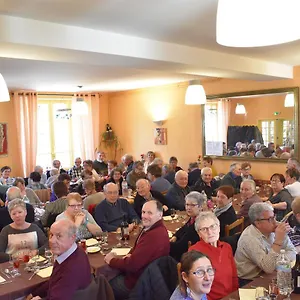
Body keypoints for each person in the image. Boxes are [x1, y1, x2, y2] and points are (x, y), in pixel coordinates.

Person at [104, 200, 170, 300]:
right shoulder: (156, 229)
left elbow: (132, 265)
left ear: (160, 215)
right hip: (150, 278)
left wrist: (111, 260)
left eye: (150, 213)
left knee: (105, 285)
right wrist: (132, 254)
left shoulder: (153, 236)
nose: (144, 216)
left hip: (139, 283)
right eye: (143, 212)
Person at [27, 219, 91, 300]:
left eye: (59, 236)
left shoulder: (70, 269)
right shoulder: (74, 251)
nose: (52, 241)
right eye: (51, 235)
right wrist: (34, 293)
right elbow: (54, 280)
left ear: (72, 238)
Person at [235, 203, 297, 282]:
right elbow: (269, 268)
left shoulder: (273, 230)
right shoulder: (249, 239)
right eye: (270, 219)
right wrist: (278, 240)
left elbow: (293, 251)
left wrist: (277, 261)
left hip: (269, 274)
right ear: (258, 223)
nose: (275, 222)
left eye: (274, 217)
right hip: (249, 280)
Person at [189, 211, 238, 300]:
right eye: (204, 229)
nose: (210, 232)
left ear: (219, 228)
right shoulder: (195, 252)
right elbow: (196, 288)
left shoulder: (226, 247)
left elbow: (234, 276)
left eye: (213, 226)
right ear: (199, 234)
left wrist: (235, 295)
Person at [170, 192, 203, 261]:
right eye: (187, 204)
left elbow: (179, 247)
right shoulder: (194, 217)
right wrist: (175, 236)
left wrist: (165, 244)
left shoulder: (198, 224)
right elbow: (184, 228)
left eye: (192, 205)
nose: (188, 208)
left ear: (200, 207)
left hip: (186, 257)